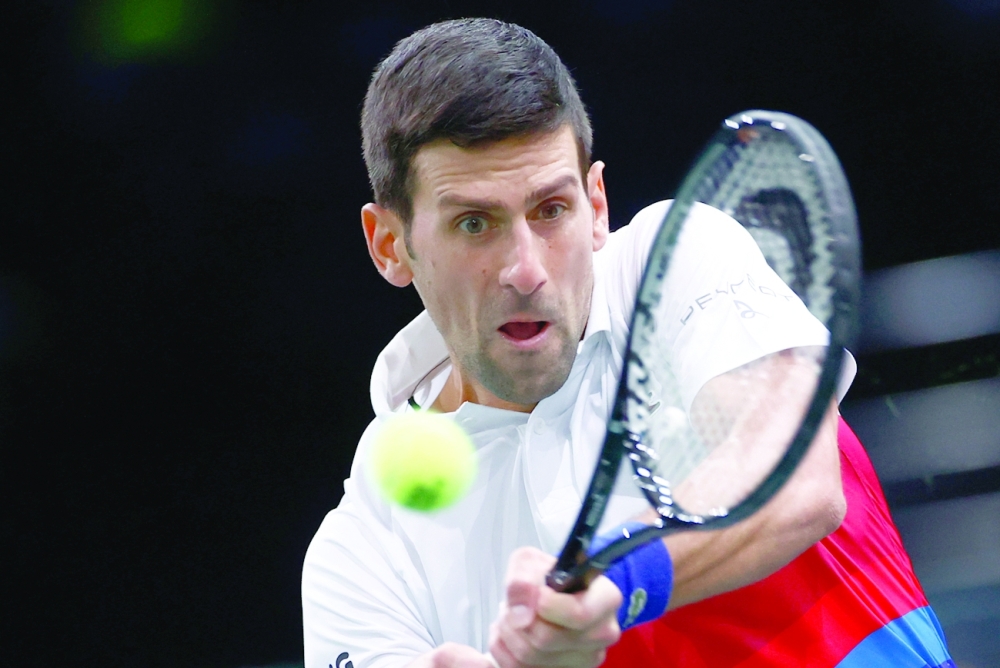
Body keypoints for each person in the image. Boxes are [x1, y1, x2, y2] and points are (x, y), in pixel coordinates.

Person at [302, 18, 953, 668]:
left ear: (597, 204)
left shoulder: (673, 261)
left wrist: (616, 584)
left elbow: (797, 484)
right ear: (391, 245)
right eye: (475, 224)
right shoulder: (363, 547)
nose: (525, 269)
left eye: (550, 210)